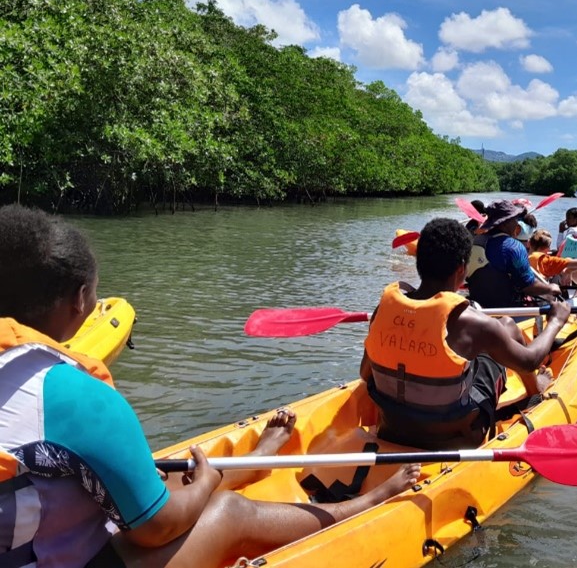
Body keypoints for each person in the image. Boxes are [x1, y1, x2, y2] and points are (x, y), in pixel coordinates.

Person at [0, 204, 420, 568]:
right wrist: (205, 484)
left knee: (157, 481)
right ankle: (364, 503)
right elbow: (156, 529)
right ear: (80, 300)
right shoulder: (77, 397)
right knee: (227, 510)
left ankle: (251, 460)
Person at [360, 218, 571, 449]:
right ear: (462, 268)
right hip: (456, 436)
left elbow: (365, 373)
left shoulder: (385, 309)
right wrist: (556, 321)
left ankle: (530, 383)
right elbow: (530, 361)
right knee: (505, 330)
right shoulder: (476, 324)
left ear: (419, 262)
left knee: (507, 325)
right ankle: (536, 387)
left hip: (391, 428)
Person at [466, 200, 562, 309]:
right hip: (509, 312)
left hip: (477, 308)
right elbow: (528, 286)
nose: (517, 223)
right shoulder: (513, 246)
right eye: (515, 219)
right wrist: (550, 288)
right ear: (506, 222)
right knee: (550, 299)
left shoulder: (474, 241)